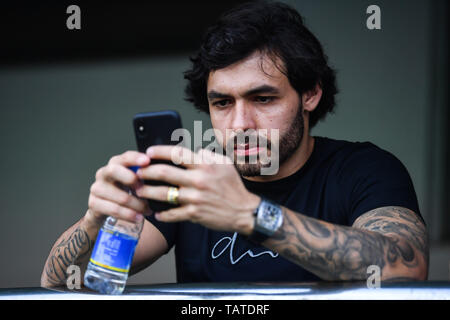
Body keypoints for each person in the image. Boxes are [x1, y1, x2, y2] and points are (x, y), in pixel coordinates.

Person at [41, 1, 428, 287]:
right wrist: (96, 220)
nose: (240, 124)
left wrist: (250, 214)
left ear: (309, 94)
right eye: (222, 103)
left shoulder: (363, 169)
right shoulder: (190, 182)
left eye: (263, 99)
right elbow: (61, 285)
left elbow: (405, 267)